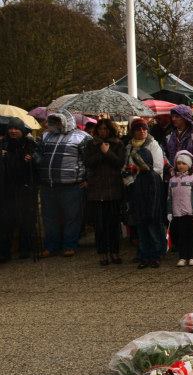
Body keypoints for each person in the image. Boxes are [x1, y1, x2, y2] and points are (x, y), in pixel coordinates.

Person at [37, 110, 91, 257]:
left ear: (67, 121)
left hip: (72, 185)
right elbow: (38, 155)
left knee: (71, 217)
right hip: (48, 185)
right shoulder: (46, 135)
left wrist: (87, 180)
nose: (56, 124)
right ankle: (51, 246)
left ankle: (69, 245)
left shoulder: (82, 137)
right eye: (53, 121)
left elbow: (90, 161)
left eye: (58, 121)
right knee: (49, 217)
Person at [123, 118, 166, 268]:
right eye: (138, 129)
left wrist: (141, 172)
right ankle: (144, 253)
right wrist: (130, 180)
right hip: (136, 186)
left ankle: (157, 252)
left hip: (151, 184)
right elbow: (126, 167)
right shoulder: (129, 147)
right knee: (140, 224)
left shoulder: (153, 145)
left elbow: (158, 167)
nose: (142, 131)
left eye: (144, 129)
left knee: (153, 223)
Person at [83, 117, 124, 265]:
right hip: (97, 190)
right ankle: (102, 253)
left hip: (113, 189)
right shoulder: (91, 144)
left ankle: (114, 251)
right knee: (100, 225)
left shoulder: (118, 144)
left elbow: (119, 163)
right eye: (100, 129)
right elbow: (88, 162)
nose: (103, 131)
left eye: (106, 129)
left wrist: (108, 152)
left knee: (113, 224)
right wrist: (101, 152)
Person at [0, 118, 38, 262]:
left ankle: (25, 249)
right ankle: (4, 252)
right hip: (7, 189)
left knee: (26, 220)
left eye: (16, 128)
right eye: (11, 128)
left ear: (22, 130)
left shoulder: (30, 144)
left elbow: (39, 161)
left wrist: (32, 159)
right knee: (6, 221)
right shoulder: (4, 144)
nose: (13, 131)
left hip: (26, 188)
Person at [167, 150, 193, 267]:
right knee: (181, 236)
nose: (181, 166)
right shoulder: (172, 180)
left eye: (183, 163)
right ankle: (182, 256)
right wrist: (169, 212)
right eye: (178, 163)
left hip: (191, 213)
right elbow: (169, 198)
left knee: (192, 236)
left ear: (189, 165)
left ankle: (192, 256)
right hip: (178, 214)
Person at [164, 105, 193, 176]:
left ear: (185, 118)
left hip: (191, 174)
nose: (173, 119)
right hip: (172, 173)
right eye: (172, 116)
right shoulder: (168, 134)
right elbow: (164, 152)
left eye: (177, 117)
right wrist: (168, 167)